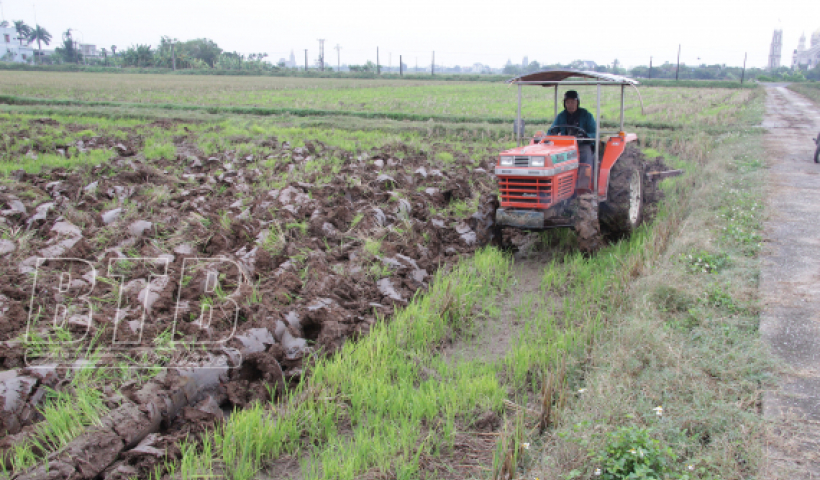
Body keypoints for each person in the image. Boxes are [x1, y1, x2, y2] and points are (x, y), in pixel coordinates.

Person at [549, 90, 597, 166]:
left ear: (577, 103)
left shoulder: (586, 115)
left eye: (573, 102)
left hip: (582, 145)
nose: (570, 105)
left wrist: (586, 137)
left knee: (586, 155)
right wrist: (546, 138)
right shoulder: (561, 116)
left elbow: (595, 133)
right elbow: (551, 131)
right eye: (568, 102)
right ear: (564, 104)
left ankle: (585, 177)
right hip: (564, 146)